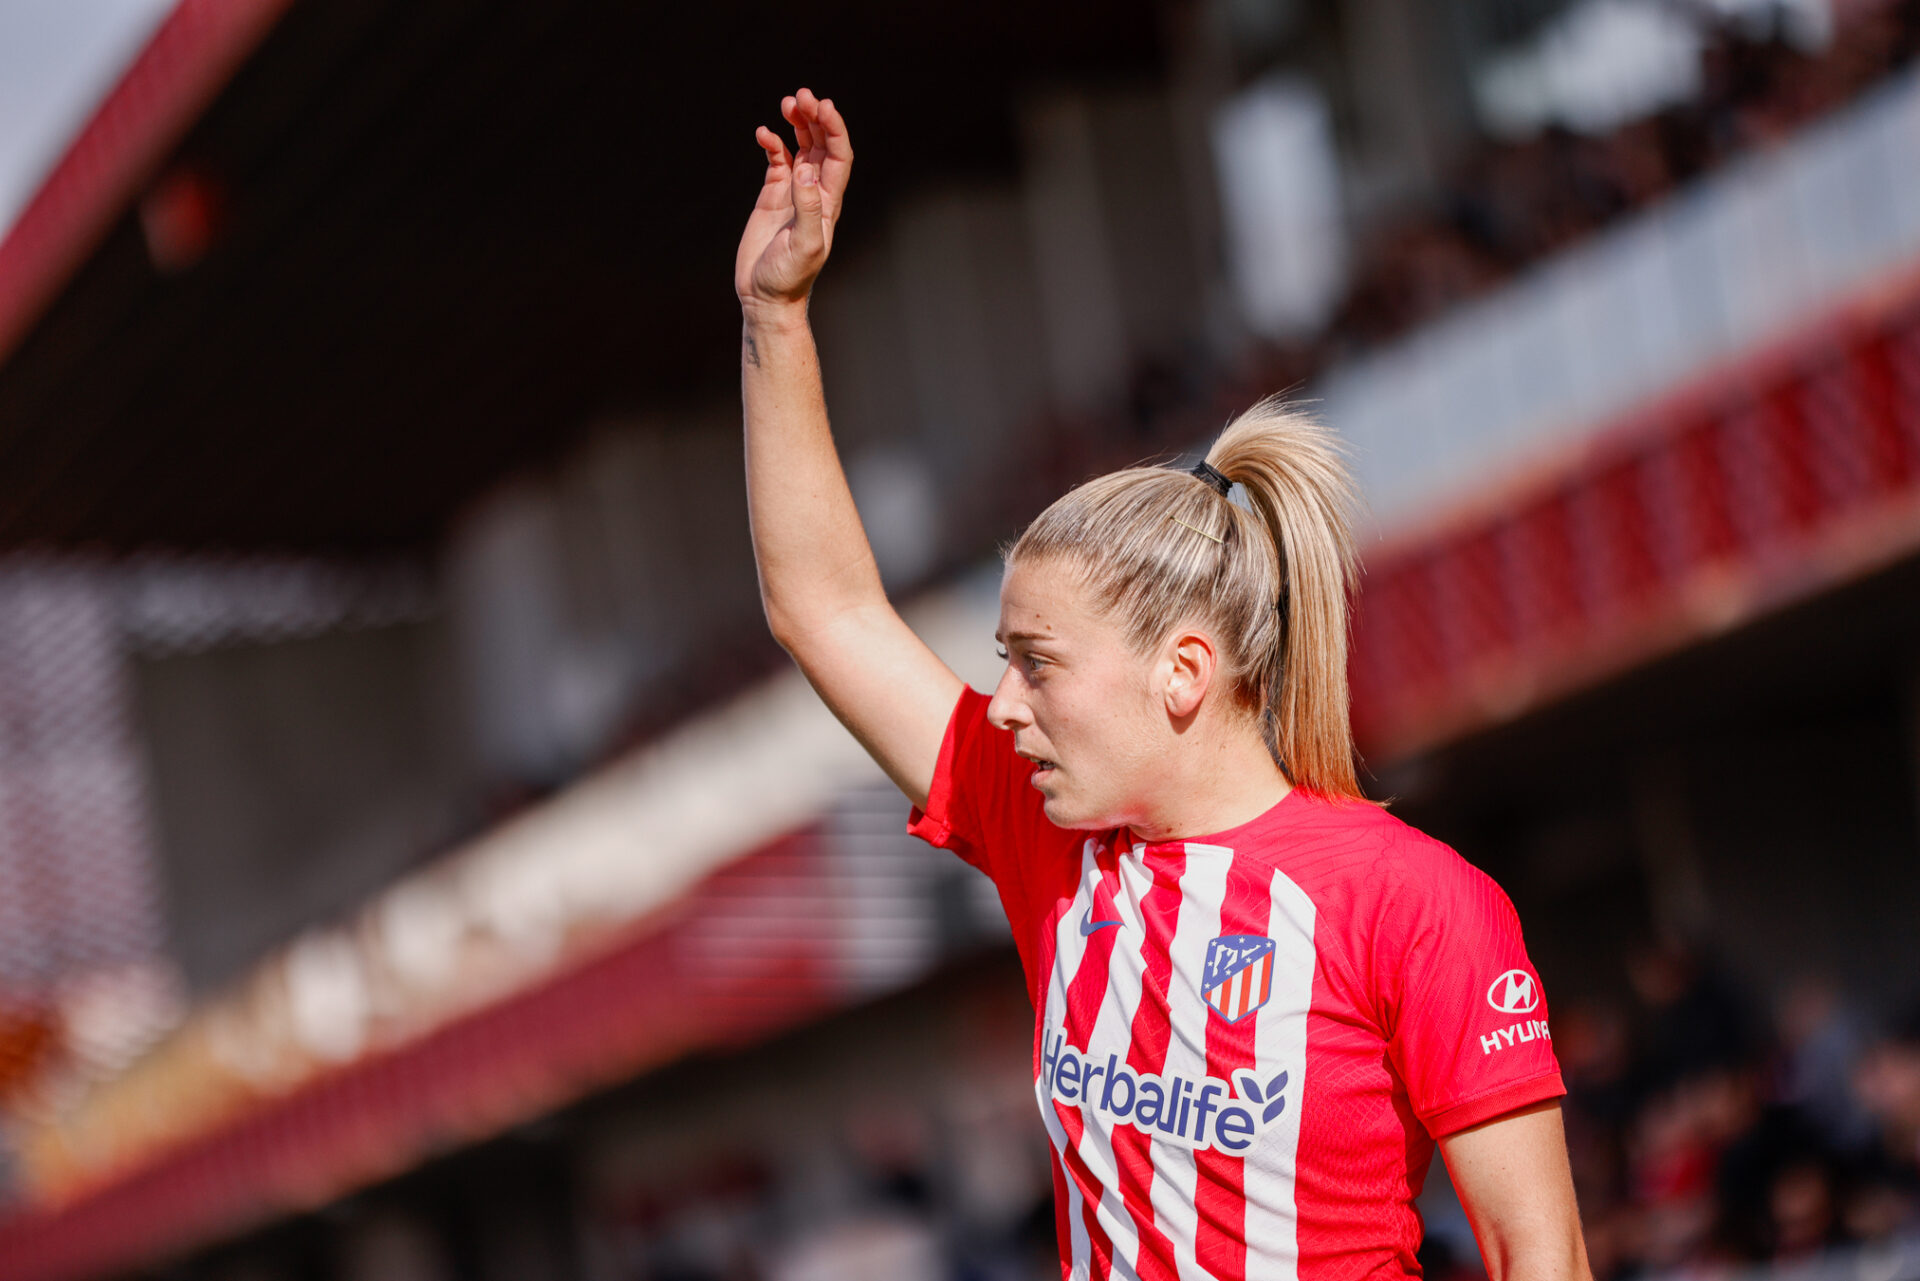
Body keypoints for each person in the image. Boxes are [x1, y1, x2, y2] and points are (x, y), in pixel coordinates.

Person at [736, 87, 1593, 1281]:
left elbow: (1537, 1254)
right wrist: (775, 320)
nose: (1003, 705)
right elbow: (824, 612)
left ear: (1184, 671)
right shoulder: (1049, 838)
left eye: (1037, 663)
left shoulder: (1417, 904)